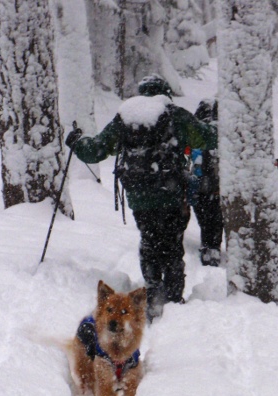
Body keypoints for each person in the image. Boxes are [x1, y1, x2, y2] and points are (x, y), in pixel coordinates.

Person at [66, 74, 217, 321]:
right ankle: (173, 301)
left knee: (150, 241)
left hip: (139, 196)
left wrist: (76, 141)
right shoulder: (174, 114)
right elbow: (208, 138)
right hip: (171, 194)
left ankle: (153, 292)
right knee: (172, 245)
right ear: (164, 92)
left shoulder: (127, 116)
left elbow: (96, 151)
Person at [187, 99, 223, 267]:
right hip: (218, 183)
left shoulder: (195, 133)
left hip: (198, 183)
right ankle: (213, 247)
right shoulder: (222, 133)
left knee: (205, 216)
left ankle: (207, 245)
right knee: (216, 215)